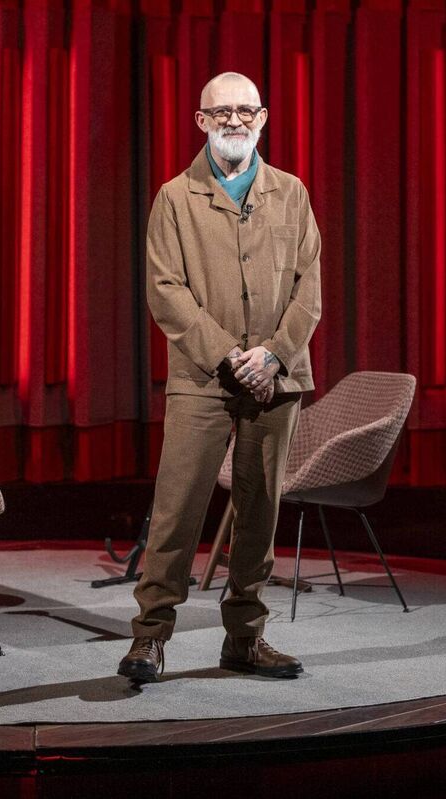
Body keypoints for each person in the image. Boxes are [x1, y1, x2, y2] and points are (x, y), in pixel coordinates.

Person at [117, 71, 322, 683]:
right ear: (201, 121)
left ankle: (246, 639)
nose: (235, 120)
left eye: (246, 111)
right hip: (203, 379)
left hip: (276, 381)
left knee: (259, 514)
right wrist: (231, 356)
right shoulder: (174, 198)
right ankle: (150, 637)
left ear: (263, 118)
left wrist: (274, 356)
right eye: (222, 112)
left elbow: (309, 289)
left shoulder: (292, 193)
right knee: (177, 510)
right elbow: (165, 291)